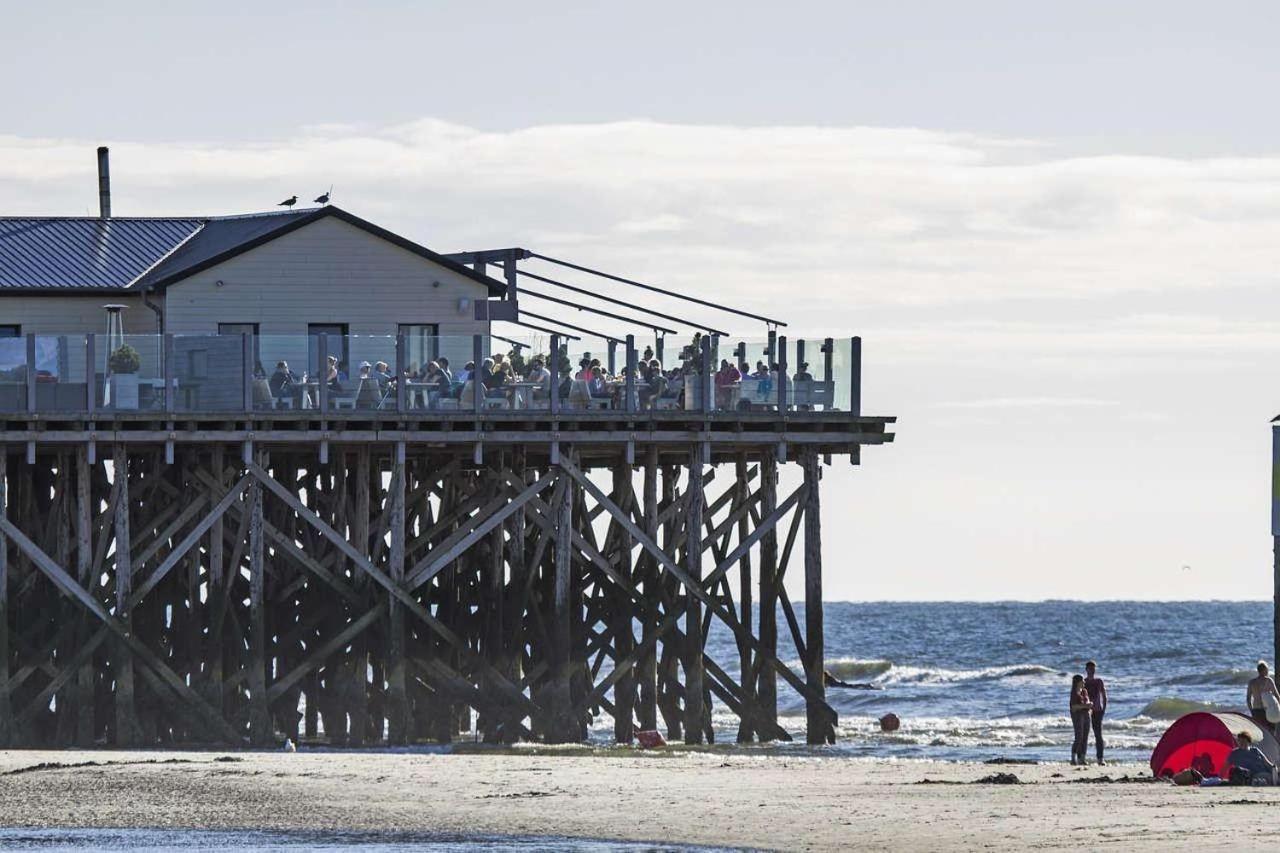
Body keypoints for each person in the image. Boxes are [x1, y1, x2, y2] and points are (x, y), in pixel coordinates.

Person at [1084, 660, 1108, 766]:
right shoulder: (1084, 682)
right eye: (1090, 669)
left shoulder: (1099, 681)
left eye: (1093, 669)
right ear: (1086, 670)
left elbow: (1104, 695)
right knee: (1084, 735)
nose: (1092, 671)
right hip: (1086, 711)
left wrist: (1104, 709)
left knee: (1098, 735)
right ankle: (1082, 757)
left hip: (1097, 711)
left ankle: (1100, 758)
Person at [1247, 661, 1280, 733]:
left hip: (1256, 710)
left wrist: (1252, 711)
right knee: (1271, 732)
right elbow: (1278, 696)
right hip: (1269, 710)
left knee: (1260, 732)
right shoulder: (1269, 681)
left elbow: (1248, 699)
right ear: (1265, 670)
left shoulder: (1252, 682)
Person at [1069, 674, 1093, 766]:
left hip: (1086, 714)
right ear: (1077, 682)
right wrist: (1085, 706)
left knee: (1085, 737)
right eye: (1082, 681)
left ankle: (1082, 758)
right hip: (1077, 716)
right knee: (1079, 737)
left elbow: (1087, 701)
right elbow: (1074, 707)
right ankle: (1073, 758)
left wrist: (1089, 705)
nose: (1084, 682)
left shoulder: (1084, 691)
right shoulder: (1074, 693)